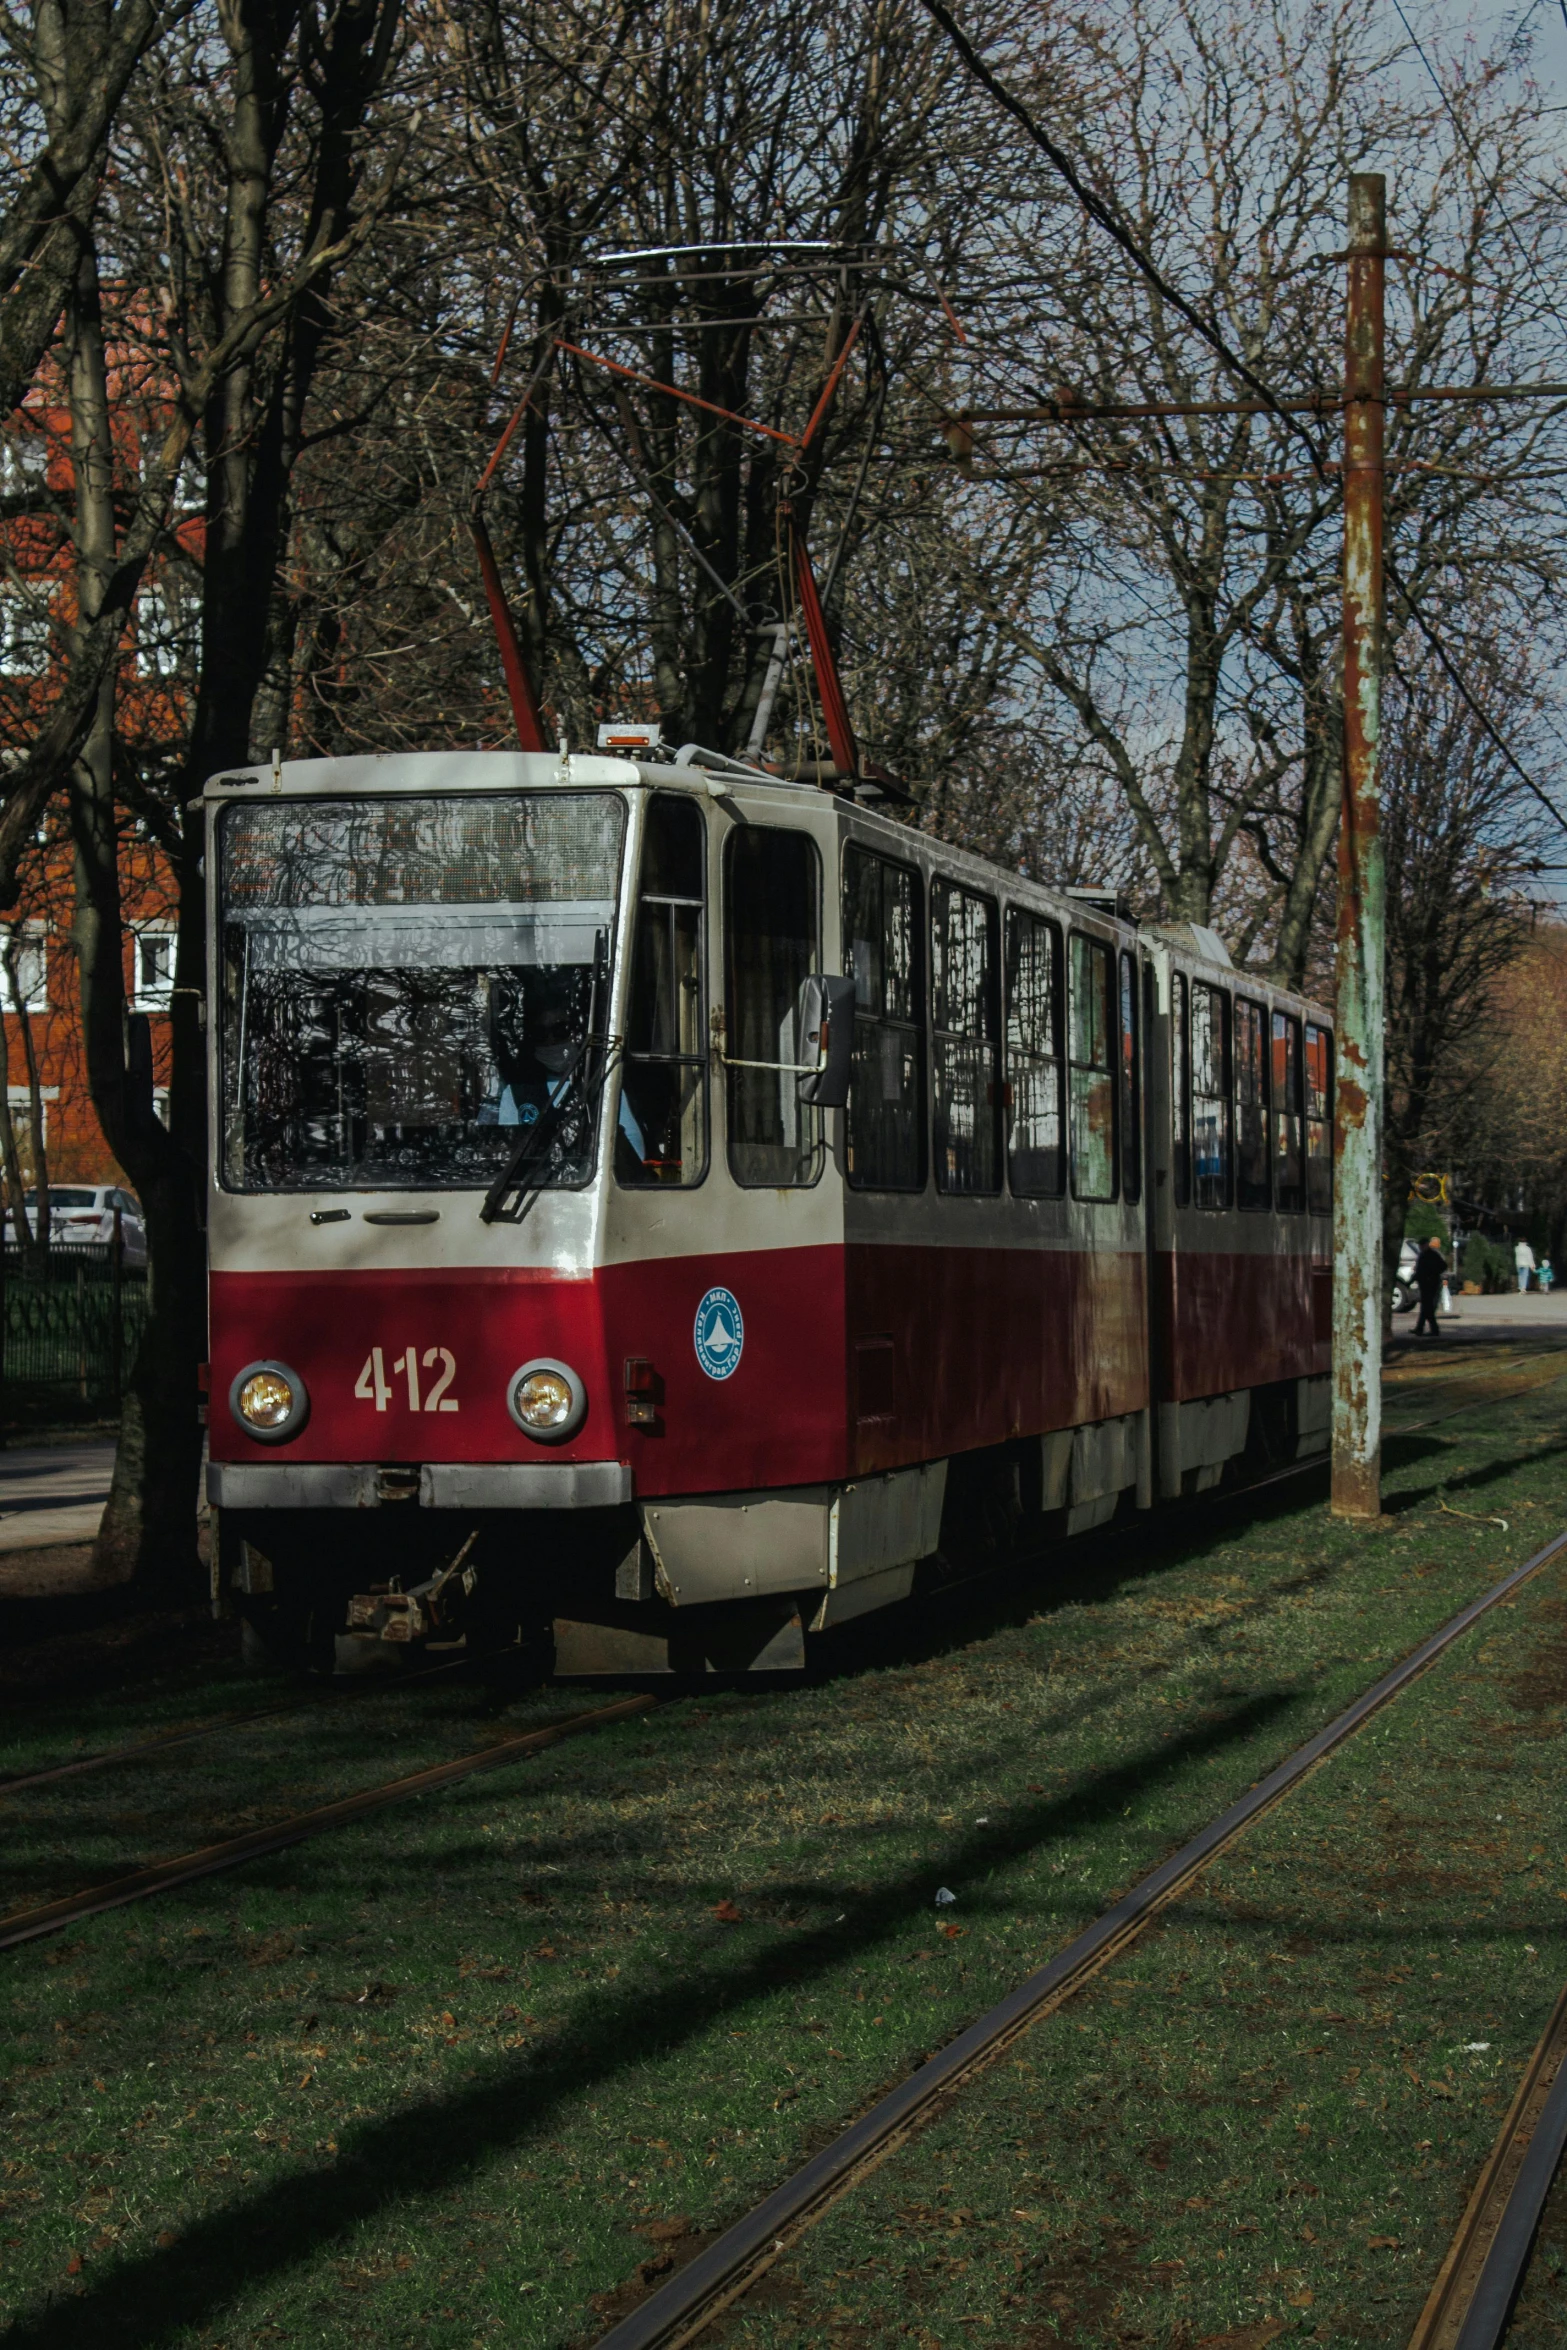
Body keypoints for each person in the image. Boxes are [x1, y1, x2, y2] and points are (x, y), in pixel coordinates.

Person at [1414, 1235, 1447, 1338]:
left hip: (1431, 1284)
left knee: (1427, 1308)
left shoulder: (1432, 1255)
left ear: (1425, 1245)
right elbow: (1419, 1271)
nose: (1420, 1247)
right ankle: (1420, 1329)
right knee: (1425, 1308)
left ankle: (1433, 1329)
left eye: (1421, 1245)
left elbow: (1443, 1266)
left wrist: (1432, 1275)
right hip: (1423, 1284)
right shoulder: (1422, 1255)